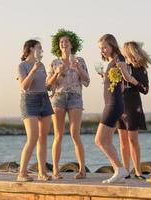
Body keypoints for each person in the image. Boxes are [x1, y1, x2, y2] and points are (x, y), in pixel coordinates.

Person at [46, 29, 90, 179]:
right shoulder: (54, 62)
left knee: (74, 134)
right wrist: (57, 73)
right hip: (58, 97)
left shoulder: (80, 61)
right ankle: (56, 171)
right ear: (59, 45)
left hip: (75, 97)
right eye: (61, 42)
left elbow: (87, 81)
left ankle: (82, 170)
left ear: (72, 44)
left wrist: (78, 69)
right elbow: (48, 85)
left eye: (66, 41)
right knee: (58, 135)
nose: (63, 43)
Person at [16, 39, 53, 182]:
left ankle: (42, 172)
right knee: (32, 138)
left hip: (44, 99)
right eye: (39, 48)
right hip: (29, 100)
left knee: (43, 138)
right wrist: (33, 69)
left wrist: (52, 84)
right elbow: (24, 86)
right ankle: (22, 173)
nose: (41, 51)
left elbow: (44, 85)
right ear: (31, 49)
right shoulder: (22, 66)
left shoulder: (42, 65)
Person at [95, 34, 129, 183]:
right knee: (107, 140)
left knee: (99, 140)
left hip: (113, 104)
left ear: (112, 45)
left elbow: (126, 79)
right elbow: (121, 86)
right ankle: (118, 171)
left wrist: (124, 72)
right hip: (112, 103)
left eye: (104, 47)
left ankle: (120, 169)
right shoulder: (112, 61)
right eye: (100, 48)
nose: (102, 50)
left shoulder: (119, 59)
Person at [117, 41, 151, 180]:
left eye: (124, 50)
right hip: (120, 104)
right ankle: (125, 171)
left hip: (133, 104)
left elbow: (145, 89)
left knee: (133, 139)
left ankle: (138, 171)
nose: (121, 53)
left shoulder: (140, 68)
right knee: (122, 141)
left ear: (130, 51)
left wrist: (131, 79)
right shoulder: (119, 66)